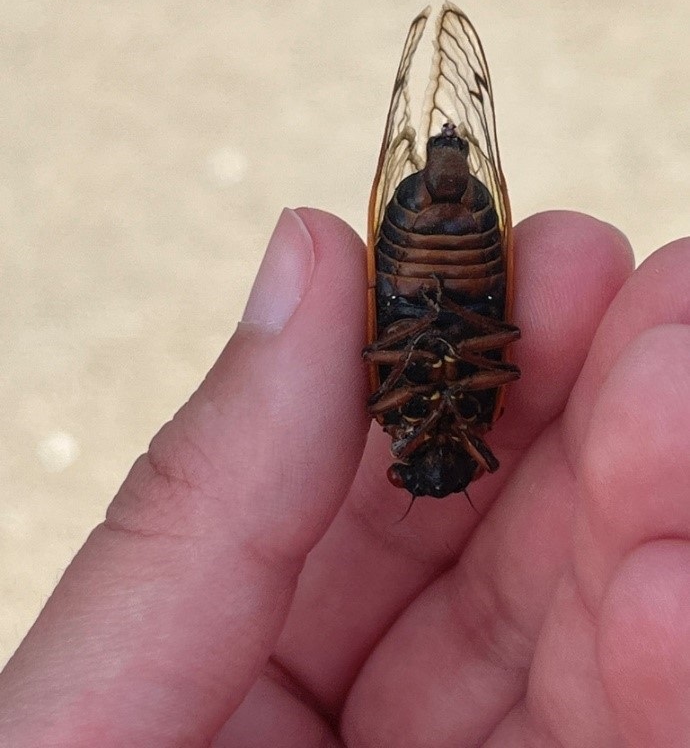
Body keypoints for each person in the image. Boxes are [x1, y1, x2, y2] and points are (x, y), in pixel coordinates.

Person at [0, 208, 688, 747]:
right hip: (472, 278)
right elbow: (500, 360)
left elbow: (380, 352)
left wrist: (411, 373)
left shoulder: (395, 409)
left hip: (410, 276)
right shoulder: (483, 409)